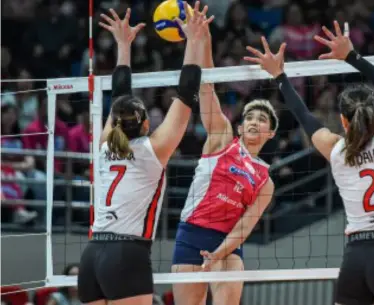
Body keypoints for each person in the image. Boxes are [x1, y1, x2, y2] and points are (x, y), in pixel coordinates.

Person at [245, 21, 374, 305]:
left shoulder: (336, 150)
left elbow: (305, 116)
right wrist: (352, 56)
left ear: (342, 120)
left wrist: (280, 77)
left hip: (355, 255)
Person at [77, 7, 211, 305]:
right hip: (127, 254)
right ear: (147, 123)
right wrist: (193, 39)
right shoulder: (153, 150)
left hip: (92, 256)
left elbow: (119, 97)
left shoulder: (103, 147)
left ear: (115, 121)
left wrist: (123, 46)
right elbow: (187, 92)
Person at [171, 3, 276, 305]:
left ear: (270, 134)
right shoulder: (221, 139)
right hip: (192, 234)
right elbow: (207, 89)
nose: (256, 122)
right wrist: (203, 40)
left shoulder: (265, 179)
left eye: (264, 121)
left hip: (228, 244)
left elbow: (245, 225)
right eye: (251, 118)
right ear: (241, 127)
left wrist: (221, 252)